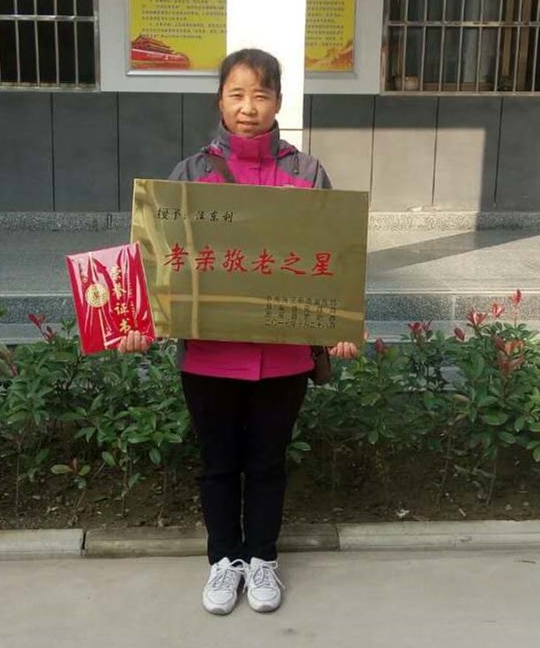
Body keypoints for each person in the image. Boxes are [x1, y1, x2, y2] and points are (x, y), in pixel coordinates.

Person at [118, 48, 360, 615]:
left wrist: (342, 323)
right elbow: (157, 257)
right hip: (209, 354)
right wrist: (137, 321)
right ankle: (224, 560)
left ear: (278, 102)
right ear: (220, 101)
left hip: (284, 355)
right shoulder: (191, 175)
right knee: (219, 465)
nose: (248, 107)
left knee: (268, 464)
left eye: (261, 95)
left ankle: (263, 558)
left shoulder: (306, 174)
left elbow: (335, 254)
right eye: (237, 94)